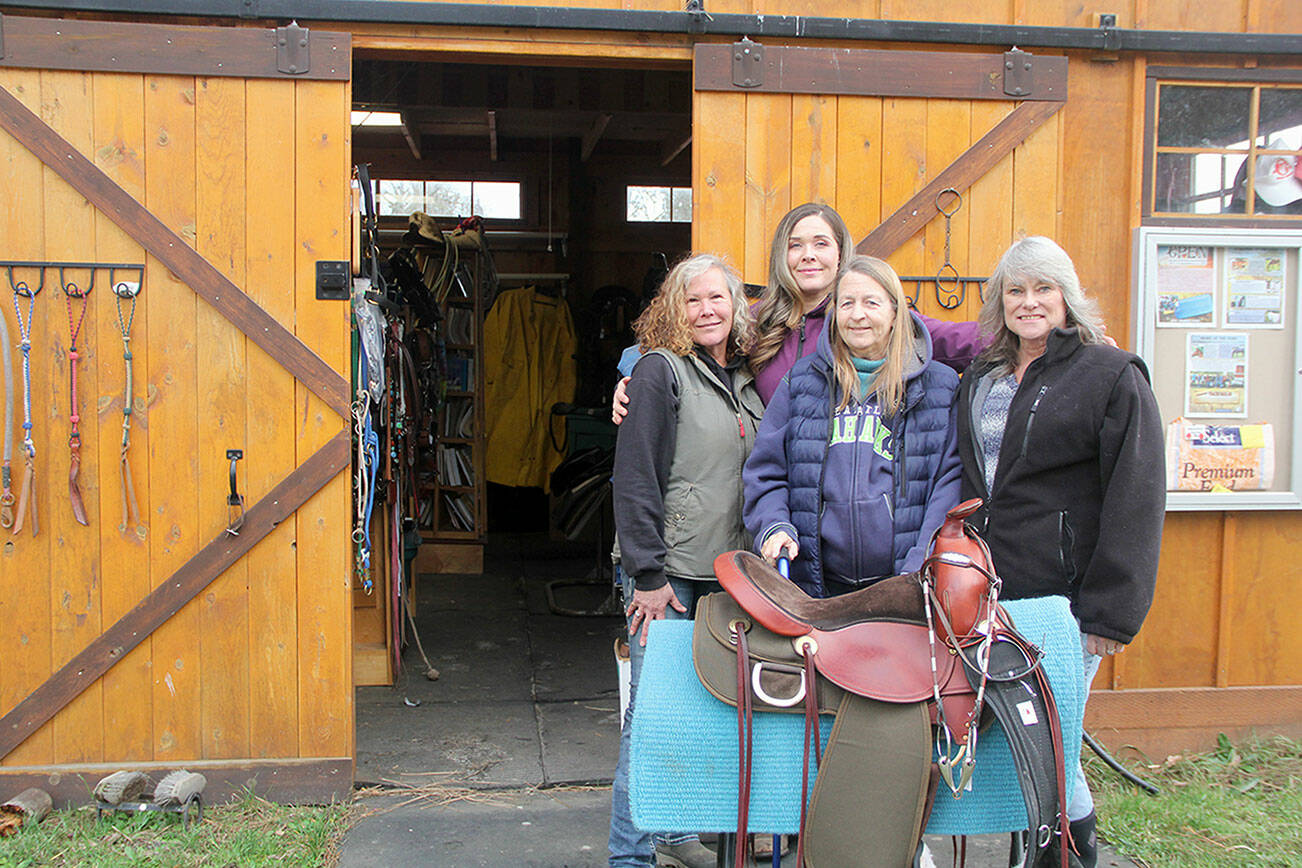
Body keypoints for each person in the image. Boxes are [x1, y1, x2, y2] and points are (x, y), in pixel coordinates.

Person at [955, 236, 1165, 868]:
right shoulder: (981, 378)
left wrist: (1109, 615)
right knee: (1024, 740)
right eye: (1015, 290)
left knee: (1051, 741)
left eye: (1043, 288)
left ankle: (1068, 856)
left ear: (1067, 297)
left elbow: (1137, 496)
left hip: (1067, 602)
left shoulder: (1111, 374)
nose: (1029, 302)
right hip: (989, 594)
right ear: (999, 302)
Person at [609, 253, 765, 868]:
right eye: (692, 300)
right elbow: (635, 476)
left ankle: (673, 837)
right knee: (650, 720)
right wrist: (646, 575)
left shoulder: (747, 381)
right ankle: (630, 856)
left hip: (726, 573)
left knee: (701, 715)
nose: (706, 310)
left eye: (717, 299)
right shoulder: (657, 371)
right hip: (667, 574)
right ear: (674, 309)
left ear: (736, 307)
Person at [612, 202, 984, 419]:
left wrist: (1030, 331)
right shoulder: (756, 320)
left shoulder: (866, 318)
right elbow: (663, 347)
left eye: (821, 243)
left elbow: (960, 341)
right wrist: (631, 383)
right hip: (770, 490)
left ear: (840, 254)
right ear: (782, 256)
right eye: (796, 245)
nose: (808, 254)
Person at [742, 255, 962, 596]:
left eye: (871, 303)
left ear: (894, 312)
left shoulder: (938, 387)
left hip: (906, 583)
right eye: (847, 303)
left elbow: (948, 488)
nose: (857, 315)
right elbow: (766, 470)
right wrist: (774, 526)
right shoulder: (802, 382)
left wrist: (918, 570)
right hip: (816, 586)